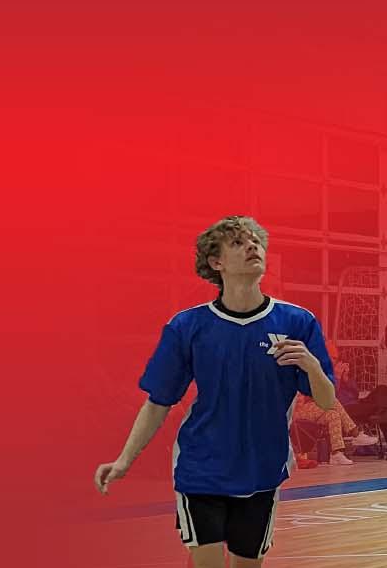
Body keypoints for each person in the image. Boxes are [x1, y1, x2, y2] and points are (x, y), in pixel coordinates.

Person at [92, 216, 338, 568]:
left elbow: (327, 401)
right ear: (215, 262)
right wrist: (124, 460)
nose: (253, 246)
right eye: (239, 243)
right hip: (201, 465)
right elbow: (158, 401)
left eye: (256, 241)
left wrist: (312, 366)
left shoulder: (297, 321)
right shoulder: (187, 326)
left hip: (263, 467)